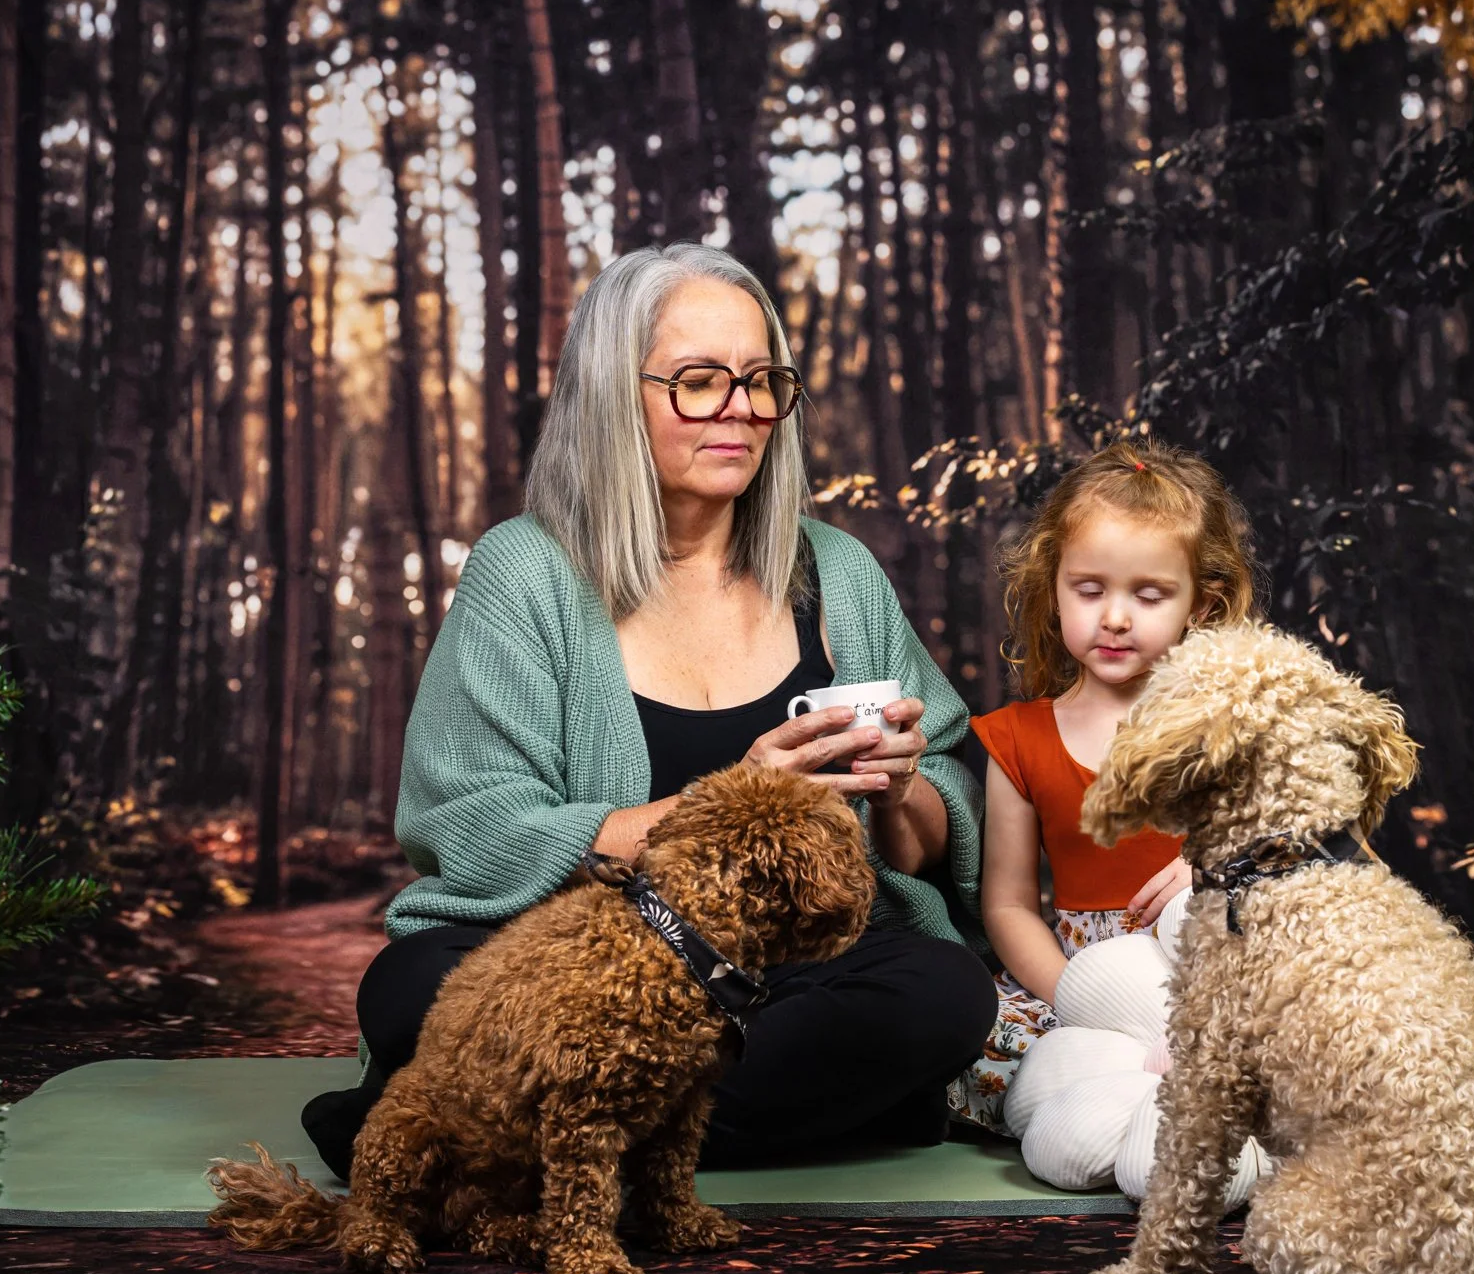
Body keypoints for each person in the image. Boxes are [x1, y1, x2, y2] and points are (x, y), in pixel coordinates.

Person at [302, 243, 995, 1180]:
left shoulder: (835, 573)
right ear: (611, 395)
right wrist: (730, 805)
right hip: (584, 962)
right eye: (701, 381)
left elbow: (925, 840)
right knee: (415, 988)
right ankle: (731, 1124)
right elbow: (473, 832)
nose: (742, 410)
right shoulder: (527, 573)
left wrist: (901, 789)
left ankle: (493, 1142)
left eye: (762, 381)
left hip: (781, 973)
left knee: (942, 994)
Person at [950, 437, 1261, 1139]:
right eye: (1089, 590)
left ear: (1201, 606)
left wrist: (1213, 864)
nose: (1115, 617)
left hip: (1207, 958)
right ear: (1052, 586)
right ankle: (1130, 1110)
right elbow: (1007, 905)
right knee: (978, 1054)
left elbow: (1292, 846)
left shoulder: (1228, 723)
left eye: (1148, 595)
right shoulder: (1019, 739)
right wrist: (1075, 994)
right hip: (1079, 970)